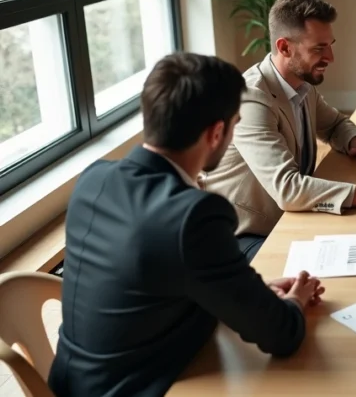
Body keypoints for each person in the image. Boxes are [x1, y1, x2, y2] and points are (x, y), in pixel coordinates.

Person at [50, 52, 325, 397]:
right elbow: (281, 336)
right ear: (217, 133)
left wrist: (249, 294)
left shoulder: (94, 179)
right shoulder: (195, 216)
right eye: (235, 124)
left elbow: (150, 281)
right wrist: (295, 300)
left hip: (72, 384)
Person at [203, 0, 356, 261]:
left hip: (290, 218)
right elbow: (288, 190)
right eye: (319, 48)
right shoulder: (252, 100)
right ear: (285, 48)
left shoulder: (302, 86)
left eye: (330, 45)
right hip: (245, 235)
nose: (330, 57)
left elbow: (335, 124)